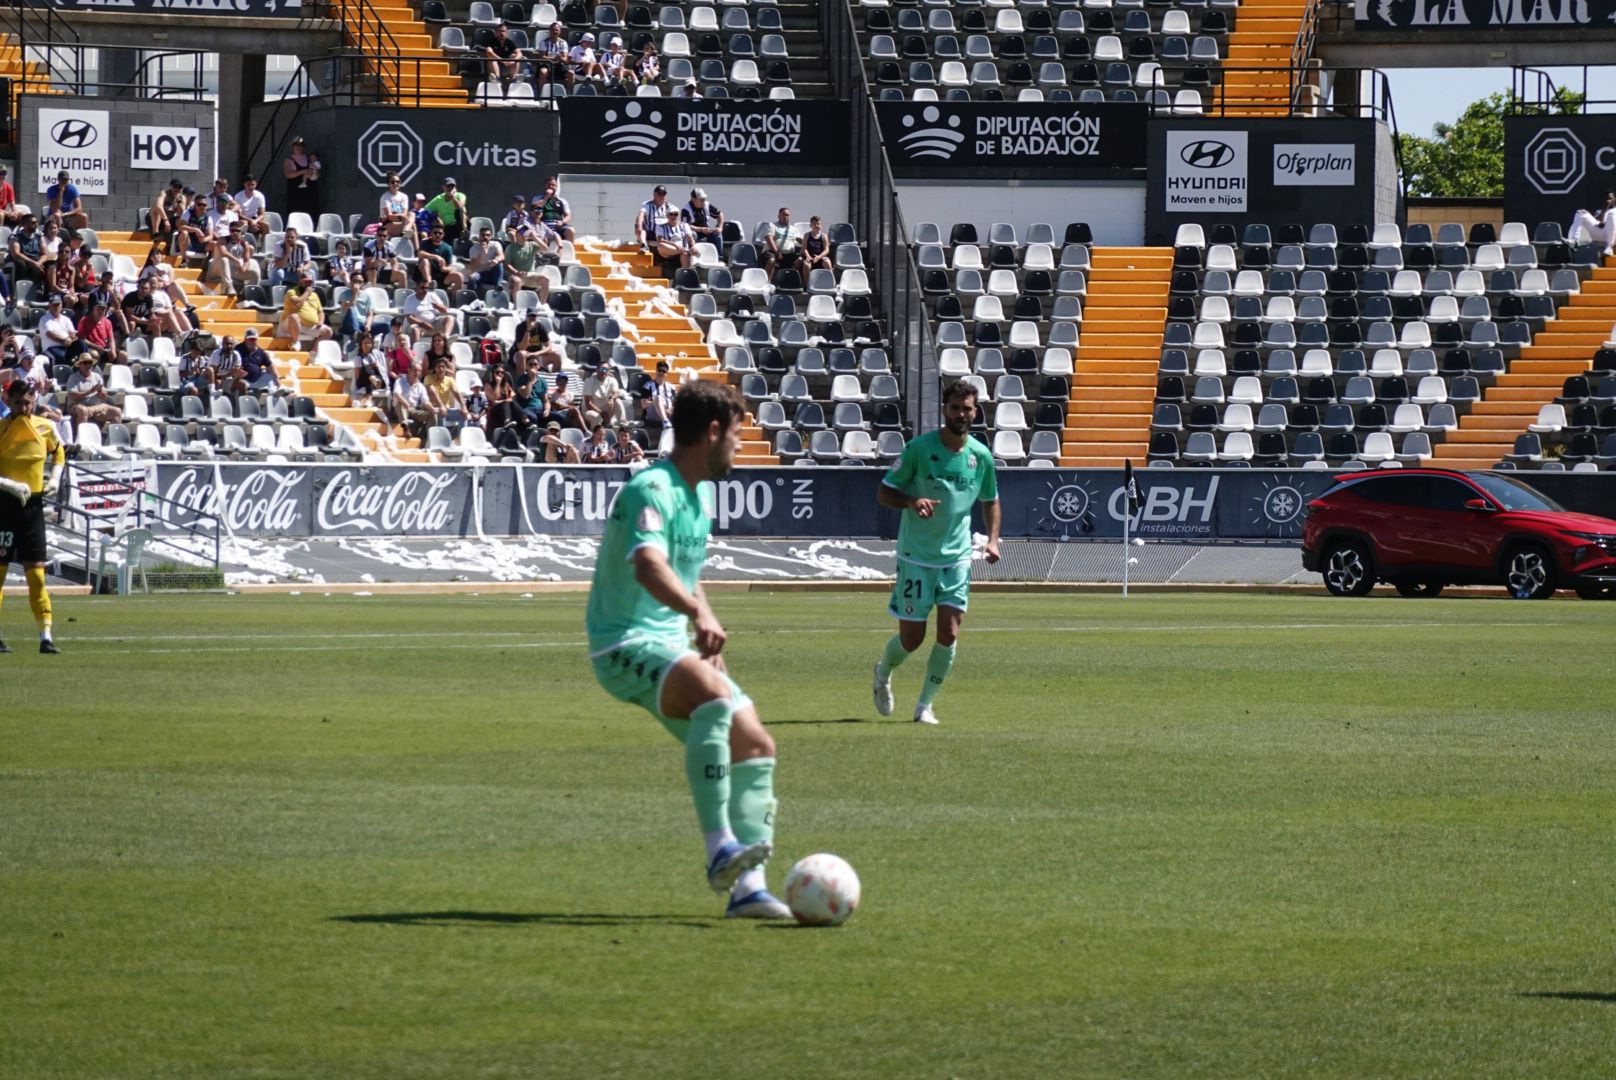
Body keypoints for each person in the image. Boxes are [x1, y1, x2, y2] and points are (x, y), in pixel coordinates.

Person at [585, 379, 785, 917]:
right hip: (623, 642)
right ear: (713, 431)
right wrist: (696, 613)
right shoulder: (652, 489)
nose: (741, 447)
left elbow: (685, 574)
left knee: (757, 746)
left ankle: (750, 891)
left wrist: (705, 614)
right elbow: (649, 564)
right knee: (717, 700)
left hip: (669, 645)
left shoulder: (697, 499)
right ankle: (720, 848)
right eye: (738, 435)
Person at [871, 379, 1001, 726]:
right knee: (912, 639)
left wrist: (992, 539)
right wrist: (912, 501)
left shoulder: (980, 456)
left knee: (950, 632)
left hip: (957, 557)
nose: (961, 414)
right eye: (955, 407)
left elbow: (991, 499)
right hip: (916, 556)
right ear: (945, 410)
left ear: (976, 412)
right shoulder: (918, 449)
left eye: (967, 408)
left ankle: (924, 706)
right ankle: (883, 672)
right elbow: (884, 492)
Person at [0, 378, 64, 653]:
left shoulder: (45, 427)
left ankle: (45, 637)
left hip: (32, 509)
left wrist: (56, 478)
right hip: (3, 507)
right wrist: (9, 484)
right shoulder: (1, 428)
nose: (24, 407)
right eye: (18, 402)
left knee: (36, 575)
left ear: (34, 401)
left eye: (28, 402)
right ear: (7, 400)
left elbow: (59, 453)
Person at [65, 353, 122, 430]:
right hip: (78, 405)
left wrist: (100, 391)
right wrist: (90, 391)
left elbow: (104, 396)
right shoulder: (73, 378)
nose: (88, 365)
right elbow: (72, 394)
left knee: (117, 411)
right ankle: (82, 438)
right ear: (80, 365)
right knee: (83, 410)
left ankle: (115, 438)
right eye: (85, 363)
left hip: (97, 406)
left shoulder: (97, 376)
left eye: (90, 362)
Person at [280, 271, 332, 347]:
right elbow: (296, 304)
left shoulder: (314, 295)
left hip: (309, 326)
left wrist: (321, 321)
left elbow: (320, 312)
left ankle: (314, 352)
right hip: (291, 325)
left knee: (328, 331)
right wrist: (307, 293)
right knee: (294, 317)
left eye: (310, 282)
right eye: (305, 281)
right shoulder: (292, 292)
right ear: (300, 282)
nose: (308, 284)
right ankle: (296, 342)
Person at [415, 224, 465, 290]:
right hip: (425, 274)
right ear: (431, 234)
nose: (437, 235)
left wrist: (444, 268)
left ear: (443, 234)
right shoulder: (425, 243)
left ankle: (453, 299)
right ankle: (430, 285)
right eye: (435, 233)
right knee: (424, 261)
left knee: (459, 276)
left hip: (441, 276)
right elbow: (419, 254)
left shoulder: (448, 247)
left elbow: (450, 266)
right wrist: (435, 257)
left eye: (440, 233)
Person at [393, 359, 434, 439]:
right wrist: (405, 402)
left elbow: (425, 401)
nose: (417, 373)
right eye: (415, 370)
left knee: (432, 414)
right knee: (401, 403)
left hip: (413, 410)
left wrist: (432, 409)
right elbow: (396, 393)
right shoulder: (400, 381)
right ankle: (405, 429)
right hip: (400, 409)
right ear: (409, 369)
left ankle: (429, 438)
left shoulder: (420, 386)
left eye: (419, 371)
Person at [282, 135, 320, 219]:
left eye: (301, 145)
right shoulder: (288, 160)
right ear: (292, 146)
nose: (299, 147)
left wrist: (314, 173)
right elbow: (288, 174)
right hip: (296, 192)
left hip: (310, 191)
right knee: (296, 214)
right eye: (296, 145)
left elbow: (317, 172)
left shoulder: (309, 158)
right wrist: (303, 171)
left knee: (312, 214)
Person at [233, 327, 279, 395]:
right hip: (243, 380)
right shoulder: (238, 349)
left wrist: (277, 378)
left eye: (254, 339)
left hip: (257, 380)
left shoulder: (261, 352)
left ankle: (273, 393)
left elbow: (270, 365)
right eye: (250, 339)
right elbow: (232, 364)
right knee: (240, 383)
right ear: (245, 339)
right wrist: (237, 371)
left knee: (271, 377)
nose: (252, 341)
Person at [1568, 191, 1616, 256]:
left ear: (1614, 199)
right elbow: (1598, 222)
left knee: (1611, 216)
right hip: (1599, 234)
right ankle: (1575, 241)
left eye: (1610, 198)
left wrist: (1606, 223)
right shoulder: (1599, 211)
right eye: (1606, 199)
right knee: (1581, 212)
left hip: (1612, 237)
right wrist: (1605, 209)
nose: (1608, 200)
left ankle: (1609, 248)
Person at [424, 178, 468, 245]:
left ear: (455, 187)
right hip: (447, 228)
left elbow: (459, 207)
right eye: (448, 186)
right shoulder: (438, 199)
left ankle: (464, 232)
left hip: (460, 225)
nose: (450, 188)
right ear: (443, 187)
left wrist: (452, 196)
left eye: (452, 186)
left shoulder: (460, 195)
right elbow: (425, 210)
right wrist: (436, 218)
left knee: (458, 212)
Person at [483, 21, 525, 89]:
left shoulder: (509, 42)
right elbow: (489, 52)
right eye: (499, 31)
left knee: (516, 57)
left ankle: (513, 80)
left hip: (506, 67)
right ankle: (497, 80)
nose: (501, 33)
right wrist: (502, 60)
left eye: (503, 31)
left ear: (507, 33)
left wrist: (513, 61)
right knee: (492, 59)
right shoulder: (491, 41)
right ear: (496, 33)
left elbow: (519, 53)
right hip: (492, 68)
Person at [653, 207, 697, 272]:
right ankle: (686, 251)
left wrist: (693, 246)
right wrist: (675, 245)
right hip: (669, 252)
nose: (673, 216)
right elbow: (660, 239)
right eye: (671, 214)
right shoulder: (660, 226)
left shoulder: (684, 225)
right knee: (661, 245)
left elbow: (690, 238)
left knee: (685, 255)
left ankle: (684, 277)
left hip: (683, 252)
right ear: (667, 216)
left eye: (675, 214)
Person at [685, 188, 724, 259]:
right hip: (696, 232)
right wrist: (701, 229)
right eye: (701, 199)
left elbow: (719, 214)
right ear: (693, 199)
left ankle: (719, 258)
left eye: (704, 199)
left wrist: (719, 226)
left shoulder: (707, 205)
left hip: (707, 230)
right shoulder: (686, 209)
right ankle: (692, 258)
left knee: (717, 234)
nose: (703, 201)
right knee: (692, 235)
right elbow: (685, 226)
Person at [533, 175, 575, 242]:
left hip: (558, 225)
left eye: (553, 185)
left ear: (556, 187)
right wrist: (546, 197)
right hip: (543, 225)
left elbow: (568, 216)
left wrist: (562, 222)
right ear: (545, 186)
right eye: (549, 185)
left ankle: (567, 251)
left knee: (570, 230)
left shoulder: (562, 200)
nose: (551, 186)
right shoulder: (537, 198)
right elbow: (535, 209)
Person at [534, 21, 573, 93]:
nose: (554, 32)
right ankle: (542, 93)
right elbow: (541, 57)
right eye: (552, 30)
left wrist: (561, 58)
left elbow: (565, 58)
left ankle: (569, 93)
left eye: (556, 30)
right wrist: (553, 59)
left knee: (571, 73)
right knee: (543, 72)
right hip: (547, 64)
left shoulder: (563, 43)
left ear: (559, 31)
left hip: (559, 65)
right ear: (549, 31)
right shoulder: (543, 42)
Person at [760, 207, 798, 278]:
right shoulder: (772, 225)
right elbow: (769, 239)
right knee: (771, 260)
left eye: (787, 215)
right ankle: (767, 283)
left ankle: (787, 279)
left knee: (800, 260)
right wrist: (777, 252)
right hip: (772, 252)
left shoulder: (794, 229)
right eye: (783, 215)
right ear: (778, 216)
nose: (786, 217)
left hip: (789, 254)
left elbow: (802, 240)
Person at [641, 359, 676, 434]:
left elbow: (676, 403)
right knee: (659, 398)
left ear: (667, 373)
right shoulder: (648, 385)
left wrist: (671, 409)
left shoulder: (671, 387)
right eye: (660, 370)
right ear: (656, 370)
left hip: (669, 413)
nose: (661, 373)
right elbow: (644, 405)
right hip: (653, 413)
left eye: (664, 371)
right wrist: (655, 402)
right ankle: (665, 421)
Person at [466, 225, 505, 290]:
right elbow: (474, 267)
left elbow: (502, 256)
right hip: (480, 274)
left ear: (491, 236)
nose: (485, 237)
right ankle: (471, 297)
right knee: (472, 277)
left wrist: (496, 260)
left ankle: (498, 286)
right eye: (483, 235)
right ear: (479, 236)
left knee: (499, 264)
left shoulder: (496, 244)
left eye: (488, 235)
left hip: (493, 273)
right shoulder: (473, 249)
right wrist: (482, 252)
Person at [635, 185, 671, 252]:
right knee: (638, 224)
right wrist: (639, 227)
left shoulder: (668, 206)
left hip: (663, 233)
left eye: (664, 194)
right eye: (660, 194)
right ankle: (644, 245)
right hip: (651, 232)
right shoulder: (648, 205)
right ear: (654, 194)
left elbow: (674, 218)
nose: (662, 196)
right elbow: (641, 215)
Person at [234, 174, 270, 242]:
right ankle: (241, 244)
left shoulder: (260, 196)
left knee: (266, 226)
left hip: (255, 219)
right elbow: (239, 215)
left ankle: (264, 246)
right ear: (244, 184)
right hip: (243, 219)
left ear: (256, 184)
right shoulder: (238, 196)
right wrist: (251, 221)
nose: (251, 187)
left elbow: (262, 214)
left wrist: (255, 221)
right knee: (244, 224)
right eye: (248, 184)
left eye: (252, 184)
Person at [378, 173, 412, 238]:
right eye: (393, 182)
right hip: (387, 225)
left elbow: (405, 213)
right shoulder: (385, 197)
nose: (395, 184)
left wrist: (400, 216)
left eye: (398, 182)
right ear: (389, 184)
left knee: (412, 214)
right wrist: (400, 216)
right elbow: (389, 216)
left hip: (402, 223)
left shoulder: (404, 196)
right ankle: (406, 234)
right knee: (412, 227)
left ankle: (405, 232)